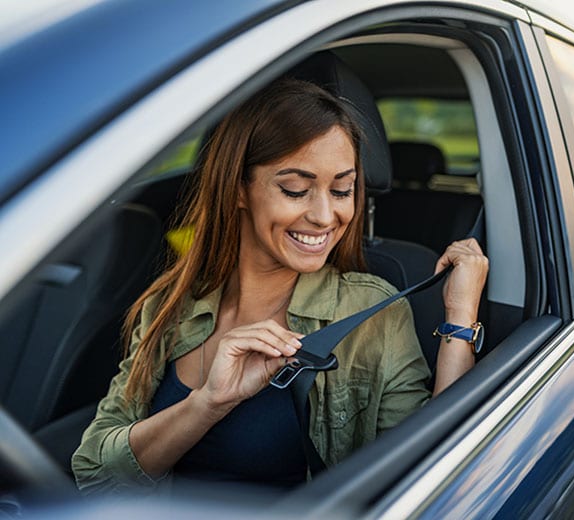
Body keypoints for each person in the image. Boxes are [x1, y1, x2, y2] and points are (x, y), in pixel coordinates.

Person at [71, 77, 488, 493]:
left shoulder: (371, 311)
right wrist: (208, 403)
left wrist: (459, 318)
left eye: (342, 190)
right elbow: (95, 473)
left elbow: (435, 474)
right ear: (238, 189)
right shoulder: (171, 303)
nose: (325, 216)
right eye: (295, 190)